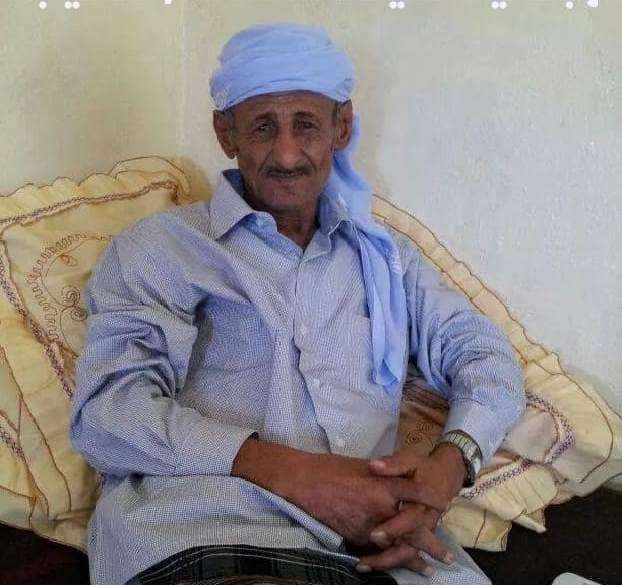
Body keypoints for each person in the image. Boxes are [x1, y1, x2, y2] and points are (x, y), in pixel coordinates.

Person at [70, 23, 525, 585]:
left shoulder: (385, 259)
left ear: (341, 127)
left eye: (306, 125)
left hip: (377, 539)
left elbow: (484, 355)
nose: (286, 155)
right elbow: (108, 415)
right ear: (226, 133)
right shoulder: (164, 248)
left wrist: (449, 466)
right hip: (207, 524)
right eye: (263, 127)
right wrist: (302, 477)